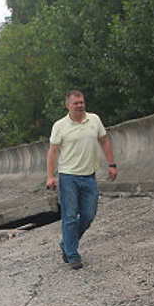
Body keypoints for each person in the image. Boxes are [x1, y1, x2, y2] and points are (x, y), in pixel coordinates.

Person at [46, 90, 117, 270]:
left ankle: (67, 243)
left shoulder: (94, 120)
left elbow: (104, 141)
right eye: (76, 103)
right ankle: (72, 254)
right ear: (68, 105)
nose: (80, 105)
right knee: (69, 216)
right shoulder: (60, 126)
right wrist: (50, 176)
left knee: (88, 215)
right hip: (68, 176)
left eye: (82, 102)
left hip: (89, 176)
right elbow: (53, 151)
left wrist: (111, 164)